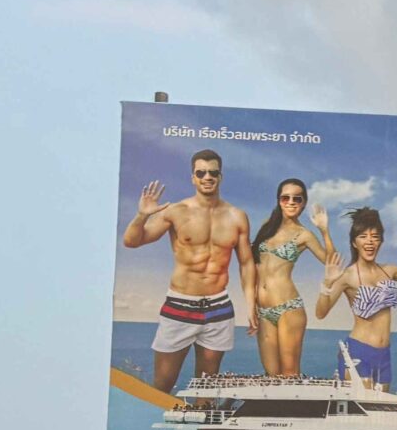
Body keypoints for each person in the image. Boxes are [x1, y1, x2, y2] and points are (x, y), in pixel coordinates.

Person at [124, 148, 253, 393]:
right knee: (162, 386)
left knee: (205, 388)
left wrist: (252, 306)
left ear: (220, 177)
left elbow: (246, 263)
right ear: (193, 177)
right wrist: (141, 215)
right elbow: (132, 241)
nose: (207, 177)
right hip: (180, 305)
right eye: (201, 172)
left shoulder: (238, 216)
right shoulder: (176, 211)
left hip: (218, 307)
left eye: (213, 172)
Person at [312, 210, 397, 388]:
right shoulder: (348, 275)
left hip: (384, 354)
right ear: (354, 242)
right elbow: (320, 313)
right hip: (359, 351)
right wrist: (327, 283)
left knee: (379, 411)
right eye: (363, 236)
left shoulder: (389, 271)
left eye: (375, 237)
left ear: (380, 242)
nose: (370, 241)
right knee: (361, 410)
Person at [249, 180, 339, 376]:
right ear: (279, 201)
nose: (291, 202)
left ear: (303, 203)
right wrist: (251, 306)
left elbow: (330, 262)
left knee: (290, 374)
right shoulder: (267, 226)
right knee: (272, 375)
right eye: (285, 197)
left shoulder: (304, 235)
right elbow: (252, 265)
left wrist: (324, 231)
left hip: (288, 309)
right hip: (263, 311)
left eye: (296, 198)